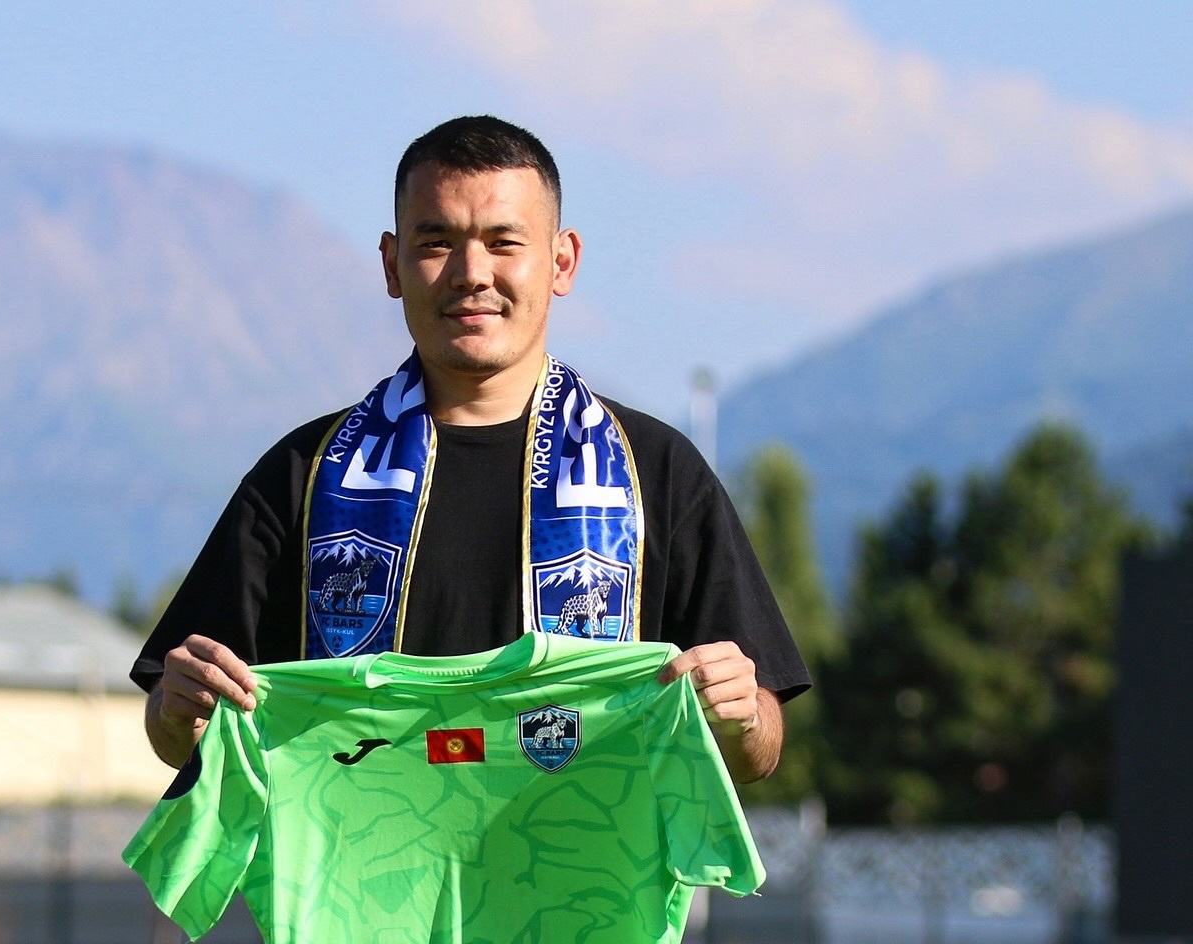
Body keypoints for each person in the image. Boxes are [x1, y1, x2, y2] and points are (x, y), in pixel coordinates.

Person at [132, 115, 810, 786]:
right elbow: (178, 724)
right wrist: (179, 710)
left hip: (586, 856)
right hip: (359, 858)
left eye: (503, 242)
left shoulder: (653, 473)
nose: (471, 273)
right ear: (392, 264)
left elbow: (759, 747)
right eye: (437, 242)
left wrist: (740, 716)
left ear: (562, 261)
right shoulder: (307, 475)